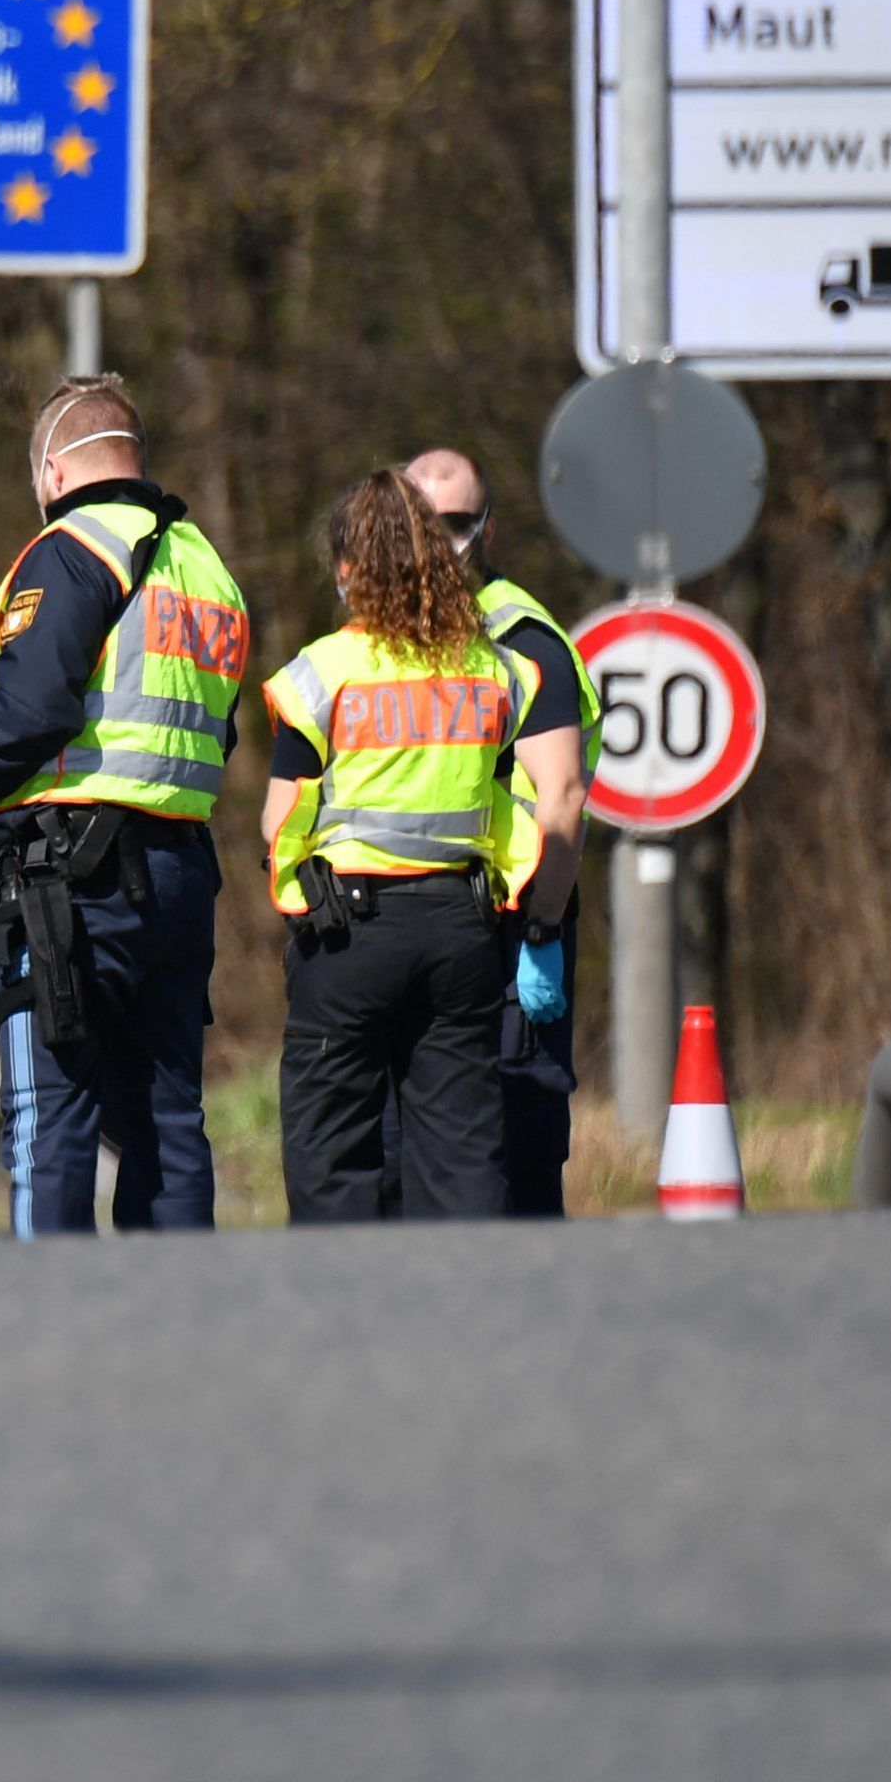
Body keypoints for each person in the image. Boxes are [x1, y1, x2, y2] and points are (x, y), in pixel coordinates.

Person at [0, 377, 248, 1237]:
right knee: (166, 1117)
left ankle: (51, 1327)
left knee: (52, 1115)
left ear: (53, 469)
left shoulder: (75, 547)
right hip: (180, 869)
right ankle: (171, 1321)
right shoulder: (208, 566)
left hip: (73, 880)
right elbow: (218, 732)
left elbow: (33, 708)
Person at [259, 469, 542, 1220]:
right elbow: (518, 790)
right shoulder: (494, 669)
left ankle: (349, 1319)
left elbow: (276, 815)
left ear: (348, 568)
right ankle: (464, 1312)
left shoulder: (321, 673)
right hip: (462, 929)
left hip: (347, 933)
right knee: (460, 1147)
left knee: (332, 1150)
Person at [403, 447, 596, 1217]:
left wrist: (542, 929)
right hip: (416, 922)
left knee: (514, 1152)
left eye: (455, 524)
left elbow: (561, 801)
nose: (440, 542)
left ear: (487, 528)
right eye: (423, 523)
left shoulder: (524, 640)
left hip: (513, 925)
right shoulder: (385, 642)